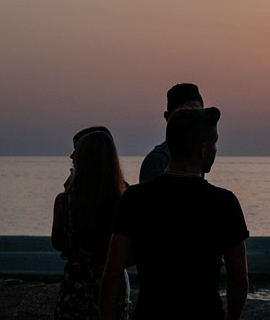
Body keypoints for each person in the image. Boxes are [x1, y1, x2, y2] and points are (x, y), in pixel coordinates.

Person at [99, 107, 249, 320]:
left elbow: (113, 273)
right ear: (203, 149)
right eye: (214, 142)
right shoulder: (224, 203)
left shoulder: (135, 199)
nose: (216, 149)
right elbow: (239, 279)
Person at [52, 129, 128, 319]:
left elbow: (57, 242)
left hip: (75, 292)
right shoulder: (123, 202)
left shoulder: (64, 201)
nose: (72, 157)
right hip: (111, 293)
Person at [139, 82, 203, 183]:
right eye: (183, 114)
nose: (191, 120)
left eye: (197, 114)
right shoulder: (157, 161)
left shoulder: (199, 157)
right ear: (167, 117)